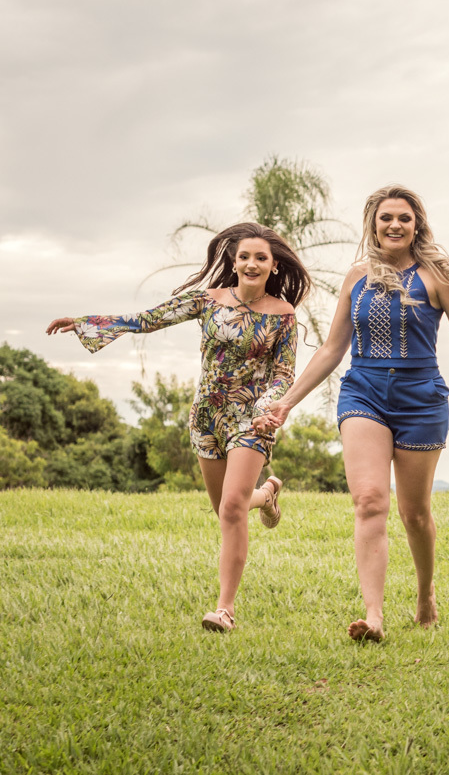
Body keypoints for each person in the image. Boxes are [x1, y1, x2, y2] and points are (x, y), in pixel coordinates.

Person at [256, 185, 449, 642]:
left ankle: (424, 594)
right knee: (370, 501)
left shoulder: (437, 278)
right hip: (363, 394)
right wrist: (286, 402)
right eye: (386, 218)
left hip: (422, 400)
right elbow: (333, 348)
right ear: (373, 224)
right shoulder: (357, 277)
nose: (394, 225)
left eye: (403, 218)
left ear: (417, 223)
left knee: (414, 513)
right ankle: (373, 616)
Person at [46, 222, 309, 632]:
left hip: (251, 419)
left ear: (274, 266)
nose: (252, 263)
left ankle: (224, 609)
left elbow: (283, 372)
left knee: (232, 508)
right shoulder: (209, 300)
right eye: (244, 256)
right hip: (206, 417)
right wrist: (87, 322)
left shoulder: (283, 315)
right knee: (225, 509)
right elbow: (150, 318)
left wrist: (269, 405)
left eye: (261, 258)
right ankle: (268, 494)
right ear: (234, 262)